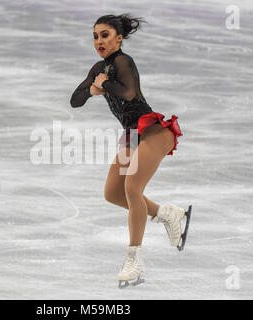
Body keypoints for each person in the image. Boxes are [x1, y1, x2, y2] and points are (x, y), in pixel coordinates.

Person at [70, 13, 192, 288]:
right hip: (132, 136)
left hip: (154, 131)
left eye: (105, 35)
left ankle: (134, 258)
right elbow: (75, 101)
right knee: (113, 193)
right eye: (95, 36)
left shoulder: (124, 61)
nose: (98, 40)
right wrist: (92, 88)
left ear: (119, 38)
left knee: (132, 189)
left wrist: (105, 84)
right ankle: (167, 214)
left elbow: (127, 93)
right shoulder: (99, 68)